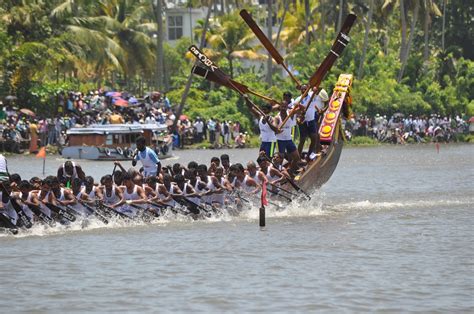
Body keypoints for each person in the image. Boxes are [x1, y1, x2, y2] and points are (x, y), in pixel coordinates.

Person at [273, 98, 301, 175]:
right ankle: (278, 174)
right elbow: (275, 126)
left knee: (297, 158)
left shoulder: (290, 113)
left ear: (287, 107)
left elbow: (301, 109)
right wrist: (276, 129)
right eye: (282, 107)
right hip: (280, 141)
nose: (283, 109)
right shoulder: (277, 118)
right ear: (280, 107)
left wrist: (298, 105)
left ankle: (290, 172)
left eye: (285, 107)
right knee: (280, 160)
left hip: (289, 140)